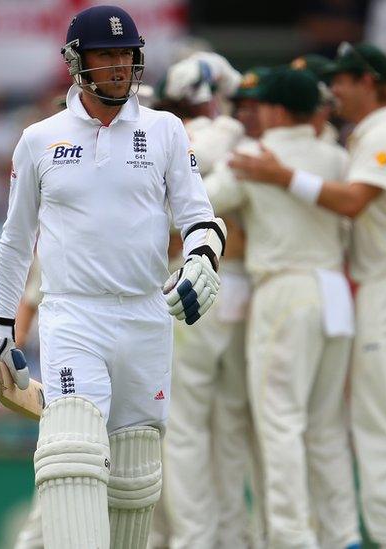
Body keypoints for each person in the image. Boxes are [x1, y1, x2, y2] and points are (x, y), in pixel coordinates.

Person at [0, 6, 226, 548]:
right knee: (73, 451)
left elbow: (200, 217)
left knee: (133, 476)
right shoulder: (40, 139)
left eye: (125, 55)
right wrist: (3, 328)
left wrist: (203, 258)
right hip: (73, 312)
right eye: (104, 55)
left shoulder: (165, 130)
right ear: (77, 63)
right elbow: (16, 241)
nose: (116, 66)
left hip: (146, 314)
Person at [230, 44, 386, 548]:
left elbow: (352, 202)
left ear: (369, 81)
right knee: (351, 423)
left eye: (344, 81)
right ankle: (354, 536)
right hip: (351, 290)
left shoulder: (384, 135)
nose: (335, 93)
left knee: (373, 422)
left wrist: (282, 176)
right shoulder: (351, 144)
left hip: (385, 285)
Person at [207, 67, 361, 549]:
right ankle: (342, 536)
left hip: (285, 290)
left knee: (279, 421)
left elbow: (200, 202)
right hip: (334, 290)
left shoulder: (256, 156)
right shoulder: (337, 157)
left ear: (274, 109)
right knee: (326, 425)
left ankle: (292, 537)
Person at [152, 53, 260, 549]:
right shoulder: (243, 139)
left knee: (187, 426)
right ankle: (233, 536)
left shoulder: (167, 138)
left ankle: (193, 539)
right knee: (234, 425)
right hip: (247, 285)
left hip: (194, 285)